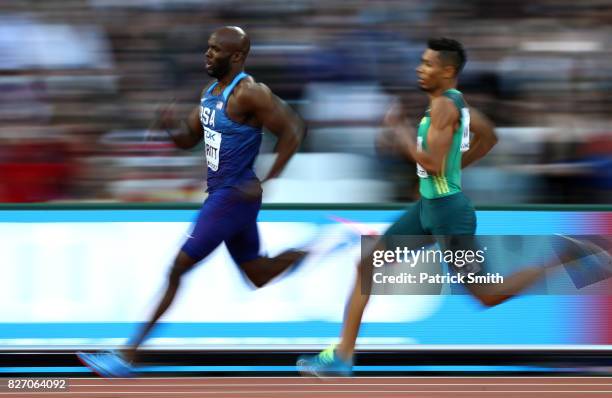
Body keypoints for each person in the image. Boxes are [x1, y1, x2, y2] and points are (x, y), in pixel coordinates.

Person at [297, 37, 612, 377]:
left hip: (449, 217)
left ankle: (563, 256)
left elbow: (432, 164)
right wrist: (455, 169)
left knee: (487, 296)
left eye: (428, 64)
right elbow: (489, 136)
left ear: (447, 71)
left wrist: (399, 132)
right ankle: (343, 356)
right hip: (427, 209)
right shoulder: (458, 106)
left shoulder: (445, 109)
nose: (420, 68)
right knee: (367, 265)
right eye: (421, 61)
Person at [78, 26, 307, 377]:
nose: (208, 53)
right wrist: (171, 126)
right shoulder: (211, 92)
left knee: (176, 269)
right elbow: (188, 139)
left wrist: (267, 179)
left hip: (233, 196)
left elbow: (293, 129)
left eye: (216, 49)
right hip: (226, 196)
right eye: (208, 47)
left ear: (237, 56)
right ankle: (315, 251)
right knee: (258, 274)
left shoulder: (250, 93)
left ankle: (127, 355)